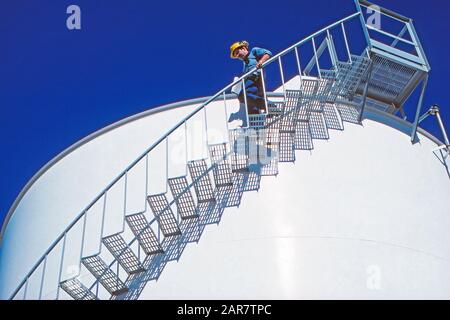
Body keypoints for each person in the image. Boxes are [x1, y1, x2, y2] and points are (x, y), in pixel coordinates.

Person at [230, 41, 272, 115]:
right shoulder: (245, 64)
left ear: (243, 48)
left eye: (237, 52)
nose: (238, 56)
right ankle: (255, 122)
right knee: (246, 100)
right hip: (250, 81)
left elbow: (268, 53)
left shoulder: (254, 51)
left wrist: (261, 61)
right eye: (236, 55)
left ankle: (269, 106)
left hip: (255, 78)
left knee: (244, 95)